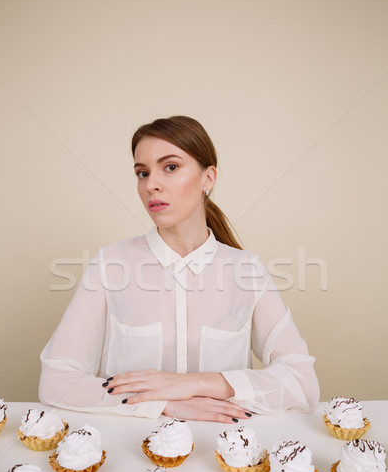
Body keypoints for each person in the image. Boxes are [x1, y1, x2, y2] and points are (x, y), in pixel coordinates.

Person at [39, 116, 319, 423]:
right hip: (130, 451)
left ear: (208, 178)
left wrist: (196, 383)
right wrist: (163, 405)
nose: (151, 185)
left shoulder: (247, 271)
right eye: (142, 173)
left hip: (223, 453)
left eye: (170, 167)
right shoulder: (110, 264)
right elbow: (57, 382)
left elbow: (302, 383)